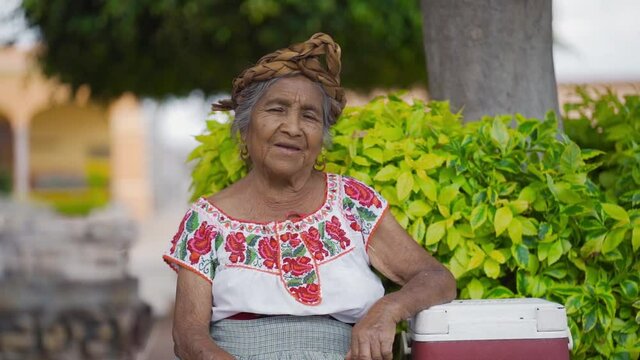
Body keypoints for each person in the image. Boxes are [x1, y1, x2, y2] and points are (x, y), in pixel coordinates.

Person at [163, 33, 456, 360]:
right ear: (245, 129)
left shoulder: (352, 203)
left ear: (321, 138)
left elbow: (437, 278)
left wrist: (387, 310)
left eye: (309, 116)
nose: (293, 127)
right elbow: (188, 335)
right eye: (277, 109)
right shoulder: (206, 222)